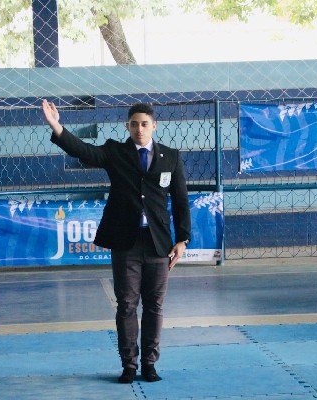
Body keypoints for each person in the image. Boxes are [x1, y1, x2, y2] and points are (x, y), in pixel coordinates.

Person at [41, 99, 191, 383]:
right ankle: (129, 365)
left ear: (154, 126)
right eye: (134, 124)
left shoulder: (171, 157)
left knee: (155, 306)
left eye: (144, 124)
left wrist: (182, 239)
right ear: (127, 126)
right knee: (126, 305)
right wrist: (56, 126)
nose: (139, 129)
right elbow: (83, 150)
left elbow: (181, 200)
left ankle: (149, 364)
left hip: (158, 243)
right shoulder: (115, 152)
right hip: (126, 242)